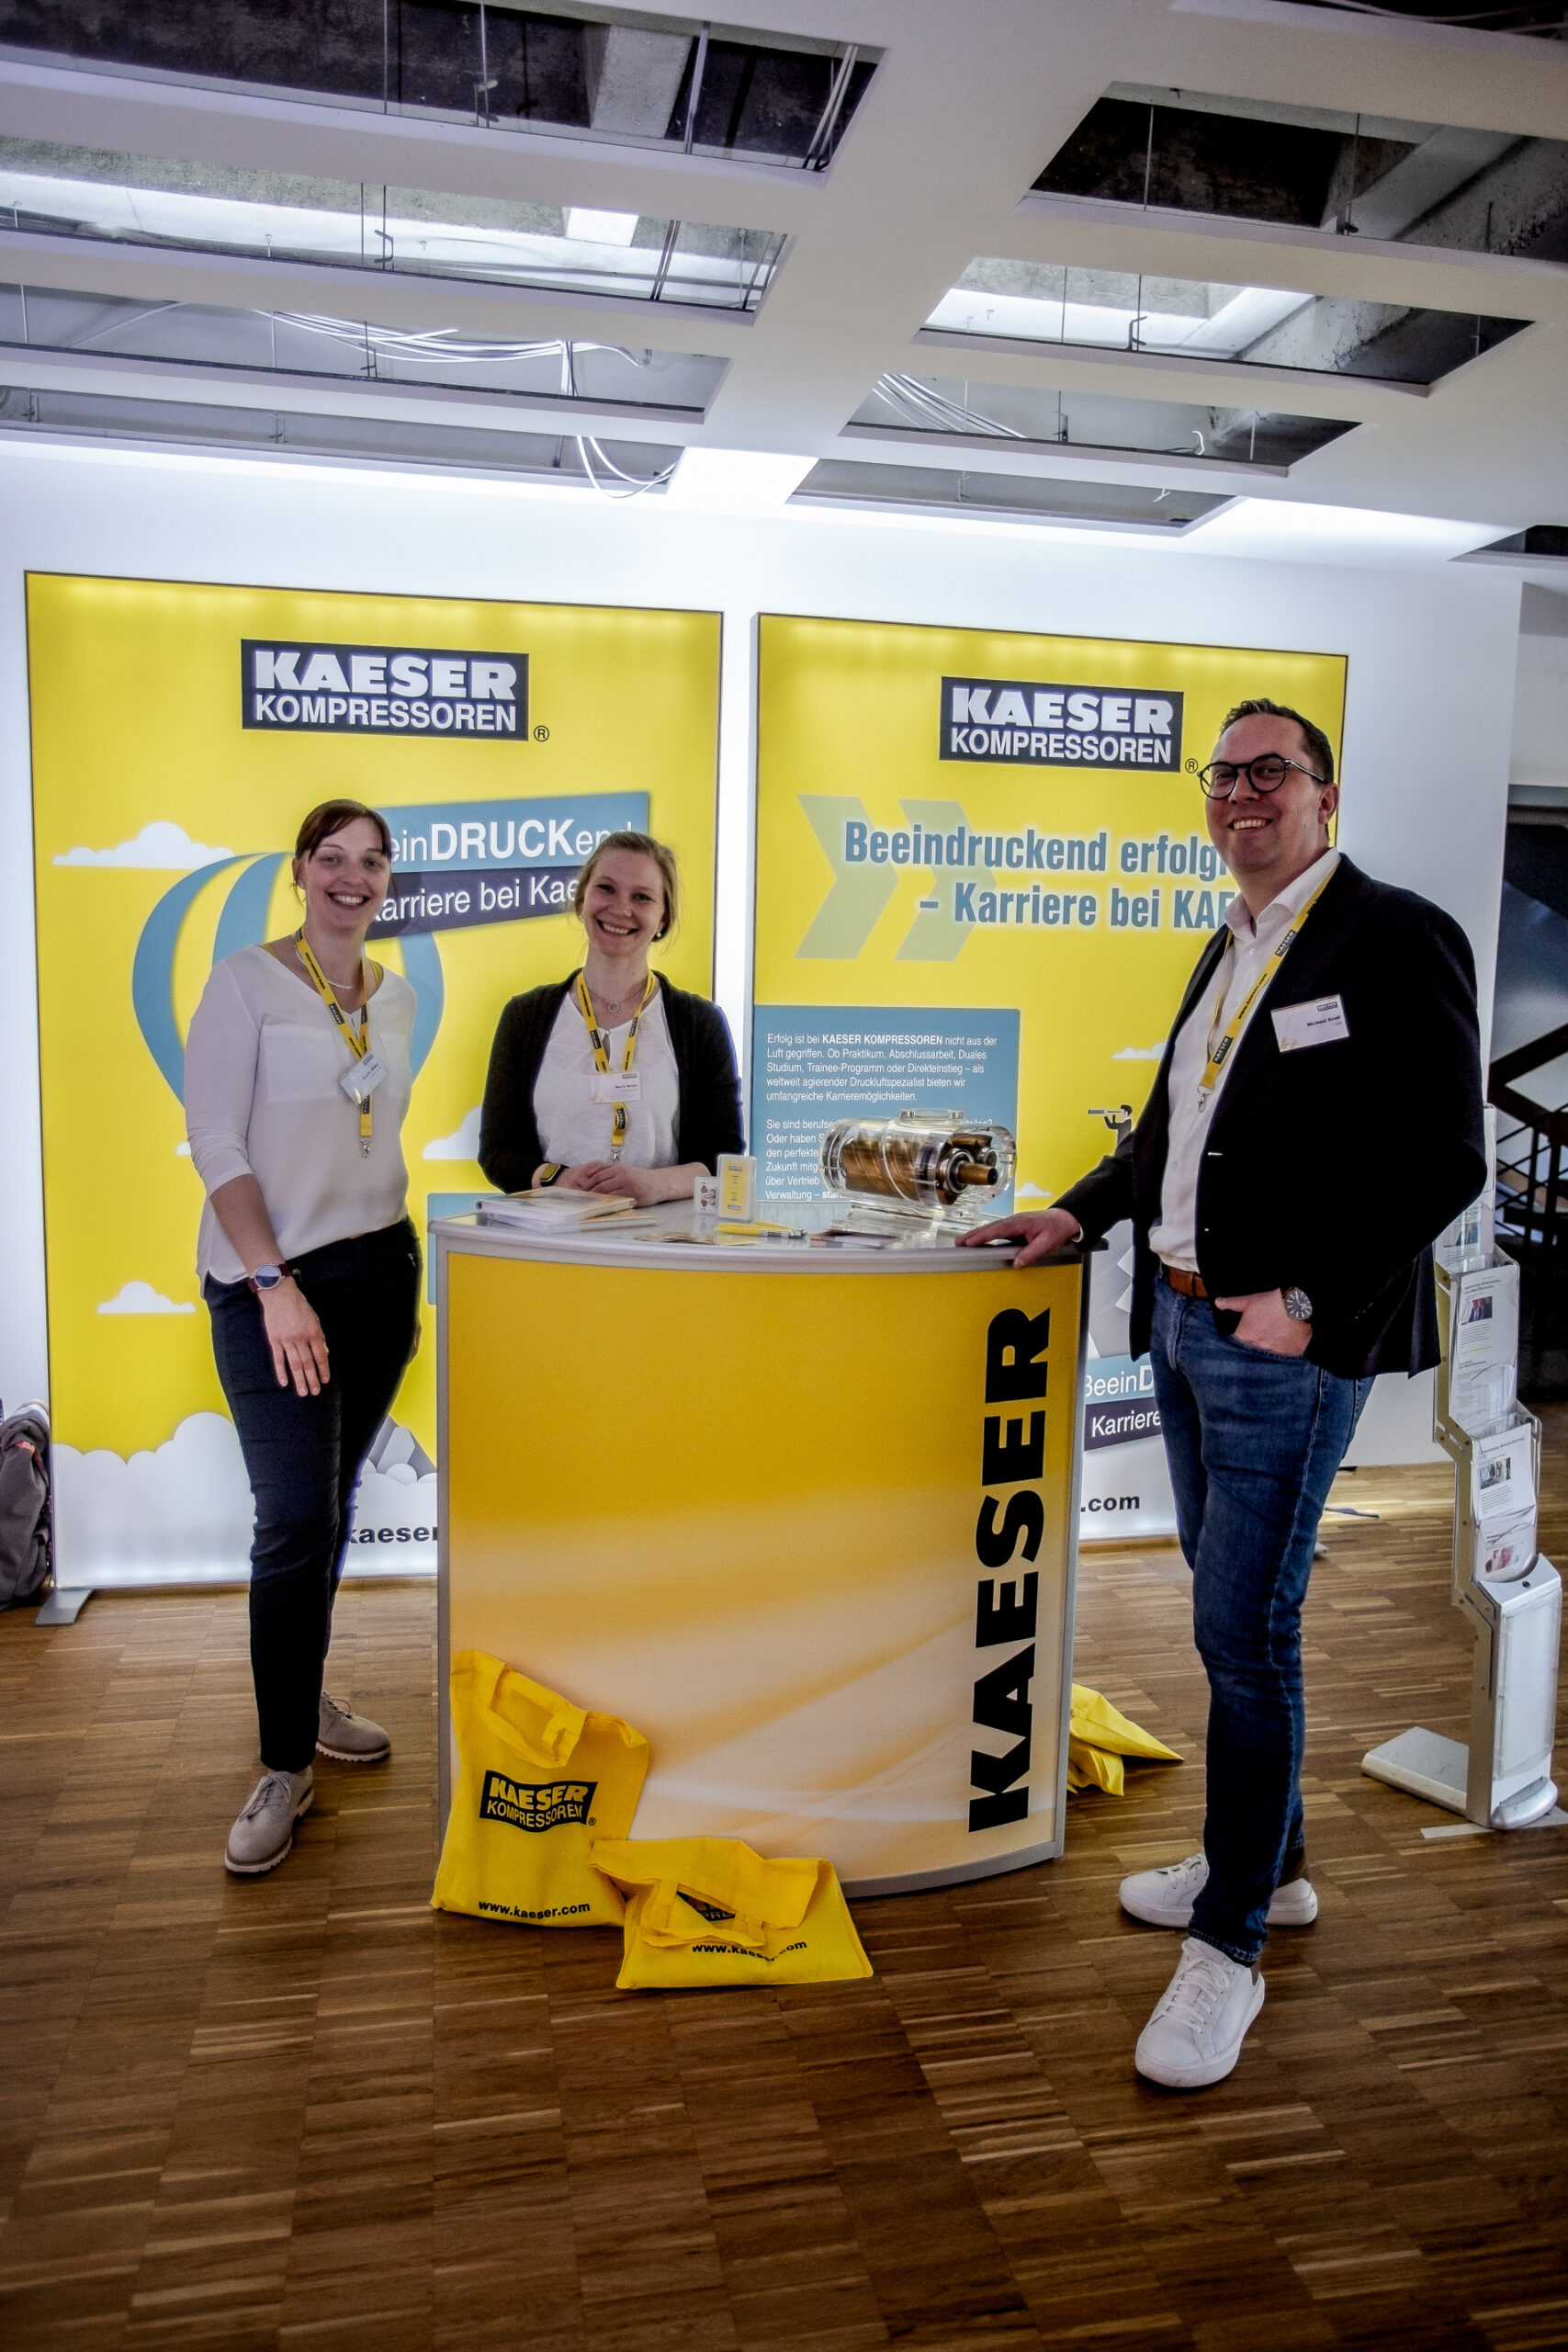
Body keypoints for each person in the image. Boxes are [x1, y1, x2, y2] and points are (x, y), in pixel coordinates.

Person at [965, 698, 1485, 2090]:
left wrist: (1307, 1299)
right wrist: (1070, 1217)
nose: (1241, 792)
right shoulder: (1233, 942)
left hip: (1277, 1350)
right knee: (1231, 1611)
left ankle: (1228, 1942)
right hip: (1183, 1330)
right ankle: (1277, 1860)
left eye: (1270, 771)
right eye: (1223, 774)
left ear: (1324, 795)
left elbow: (1441, 1158)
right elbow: (1164, 1140)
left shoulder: (1391, 934)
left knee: (1243, 1636)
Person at [186, 799, 422, 1877]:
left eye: (371, 862)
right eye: (333, 858)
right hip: (272, 1280)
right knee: (291, 1518)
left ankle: (304, 1689)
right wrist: (274, 1282)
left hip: (380, 1272)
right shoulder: (246, 981)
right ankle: (285, 1761)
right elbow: (215, 1137)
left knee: (332, 1505)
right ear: (299, 871)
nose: (353, 877)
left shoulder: (399, 994)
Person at [479, 829, 742, 1202]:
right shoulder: (525, 1017)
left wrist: (652, 1186)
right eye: (606, 889)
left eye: (642, 897)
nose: (621, 909)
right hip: (550, 1245)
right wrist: (558, 1178)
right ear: (581, 899)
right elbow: (497, 1152)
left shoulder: (699, 1024)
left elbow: (725, 1160)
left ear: (663, 917)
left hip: (661, 1244)